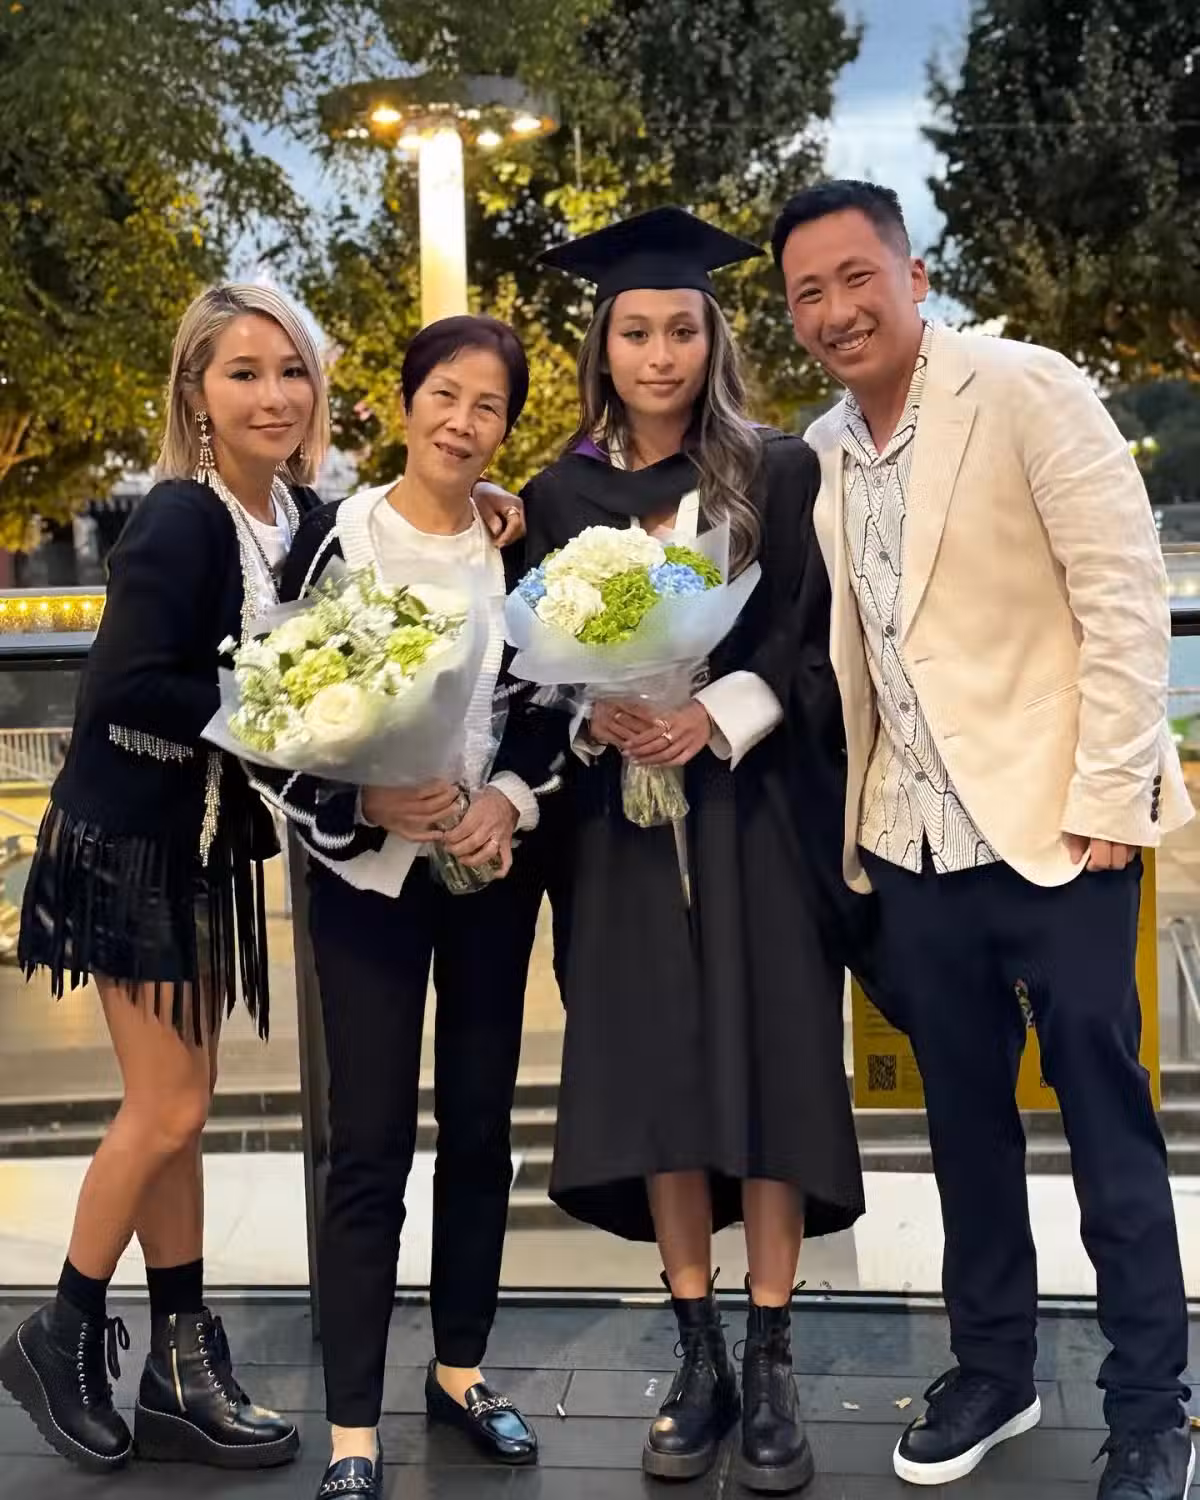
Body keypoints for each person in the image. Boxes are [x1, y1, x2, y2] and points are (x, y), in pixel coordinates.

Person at [773, 178, 1196, 1500]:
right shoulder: (820, 450)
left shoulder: (1023, 387)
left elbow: (1122, 593)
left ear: (914, 276)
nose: (836, 311)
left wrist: (1111, 800)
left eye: (856, 277)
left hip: (1061, 834)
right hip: (911, 850)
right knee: (963, 1129)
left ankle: (1153, 1408)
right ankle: (996, 1370)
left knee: (1108, 1127)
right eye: (807, 294)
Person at [525, 206, 869, 1494]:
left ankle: (772, 1357)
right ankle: (698, 1353)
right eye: (636, 332)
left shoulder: (773, 473)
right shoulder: (557, 495)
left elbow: (809, 645)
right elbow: (529, 666)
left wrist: (709, 716)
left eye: (681, 329)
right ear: (602, 346)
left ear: (713, 338)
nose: (660, 355)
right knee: (659, 1077)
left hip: (752, 814)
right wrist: (598, 712)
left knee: (771, 1068)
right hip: (619, 831)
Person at [0, 283, 327, 1474]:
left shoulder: (294, 513)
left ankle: (182, 1368)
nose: (273, 395)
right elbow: (125, 686)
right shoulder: (181, 518)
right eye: (243, 372)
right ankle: (59, 1332)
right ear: (196, 393)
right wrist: (277, 706)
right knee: (170, 1109)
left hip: (195, 846)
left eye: (291, 371)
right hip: (129, 841)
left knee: (181, 1112)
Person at [252, 315, 564, 1500]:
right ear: (402, 404)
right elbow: (269, 715)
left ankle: (460, 1369)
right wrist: (362, 800)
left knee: (480, 1131)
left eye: (488, 407)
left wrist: (511, 801)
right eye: (444, 395)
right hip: (365, 888)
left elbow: (548, 705)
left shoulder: (515, 550)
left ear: (504, 429)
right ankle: (351, 1428)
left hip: (485, 877)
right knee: (369, 1148)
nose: (462, 423)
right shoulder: (335, 541)